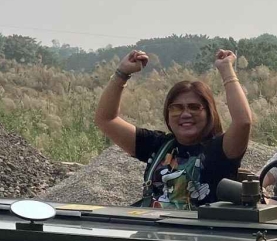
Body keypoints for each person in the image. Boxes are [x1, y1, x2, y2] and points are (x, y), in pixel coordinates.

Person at [94, 48, 253, 209]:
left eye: (194, 107)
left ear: (209, 112)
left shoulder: (221, 150)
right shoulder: (158, 146)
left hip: (204, 225)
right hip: (152, 225)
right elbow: (106, 119)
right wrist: (122, 73)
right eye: (176, 108)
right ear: (167, 114)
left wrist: (226, 69)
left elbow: (243, 122)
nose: (185, 114)